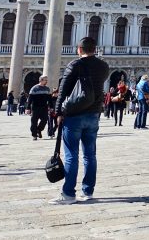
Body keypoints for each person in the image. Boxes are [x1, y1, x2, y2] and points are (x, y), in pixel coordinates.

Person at [51, 36, 109, 204]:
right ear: (95, 49)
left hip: (74, 115)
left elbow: (64, 90)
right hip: (93, 115)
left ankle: (68, 194)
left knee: (71, 155)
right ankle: (88, 191)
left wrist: (58, 112)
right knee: (90, 155)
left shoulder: (75, 65)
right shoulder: (103, 66)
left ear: (79, 49)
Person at [28, 75, 52, 140]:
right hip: (35, 107)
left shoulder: (47, 89)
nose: (46, 81)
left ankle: (39, 129)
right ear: (41, 80)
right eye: (45, 80)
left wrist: (51, 106)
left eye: (47, 80)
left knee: (45, 120)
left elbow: (50, 99)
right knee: (34, 122)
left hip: (44, 107)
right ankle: (34, 135)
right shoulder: (34, 88)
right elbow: (30, 99)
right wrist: (28, 108)